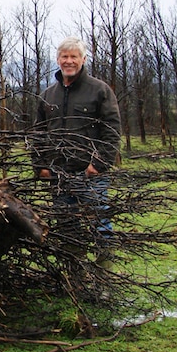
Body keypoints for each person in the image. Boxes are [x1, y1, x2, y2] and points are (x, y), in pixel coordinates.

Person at [33, 36, 121, 266]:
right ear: (58, 59)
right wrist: (40, 165)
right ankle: (76, 278)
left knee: (100, 226)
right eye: (65, 56)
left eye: (74, 56)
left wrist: (98, 165)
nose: (69, 61)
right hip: (59, 174)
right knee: (67, 227)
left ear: (83, 59)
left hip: (90, 174)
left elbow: (112, 132)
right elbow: (38, 134)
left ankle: (105, 280)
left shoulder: (99, 91)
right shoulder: (47, 95)